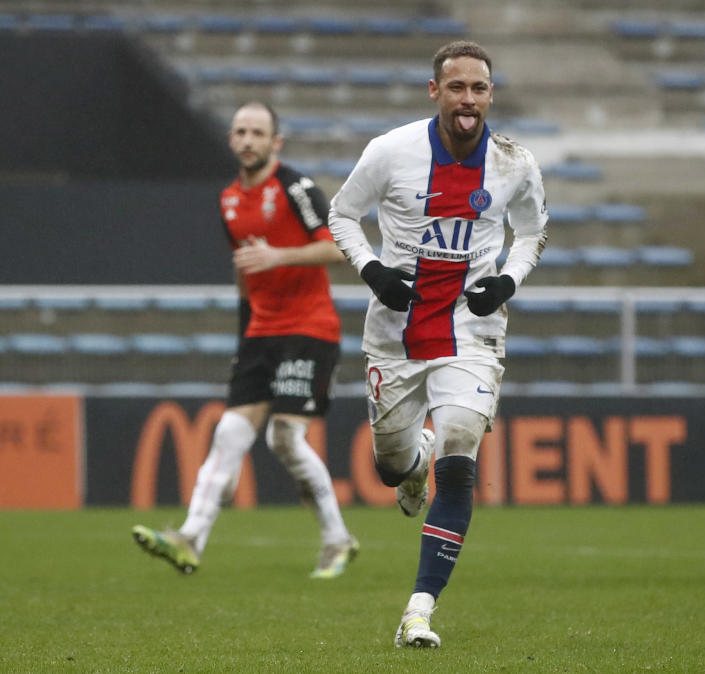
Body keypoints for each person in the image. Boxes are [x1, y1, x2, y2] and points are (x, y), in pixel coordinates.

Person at [328, 41, 548, 647]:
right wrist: (372, 271)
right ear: (435, 91)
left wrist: (507, 279)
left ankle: (419, 611)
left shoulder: (514, 163)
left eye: (479, 88)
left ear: (491, 94)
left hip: (472, 331)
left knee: (460, 456)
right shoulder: (390, 152)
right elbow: (342, 214)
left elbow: (532, 232)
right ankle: (411, 464)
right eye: (457, 88)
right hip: (395, 334)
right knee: (390, 464)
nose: (468, 100)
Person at [132, 101, 358, 579]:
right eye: (241, 132)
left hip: (308, 328)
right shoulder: (229, 200)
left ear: (275, 142)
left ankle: (337, 540)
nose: (248, 140)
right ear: (232, 140)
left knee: (285, 440)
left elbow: (336, 249)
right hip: (261, 330)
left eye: (258, 132)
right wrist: (244, 329)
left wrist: (278, 256)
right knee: (231, 432)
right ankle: (190, 538)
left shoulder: (296, 187)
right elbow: (243, 270)